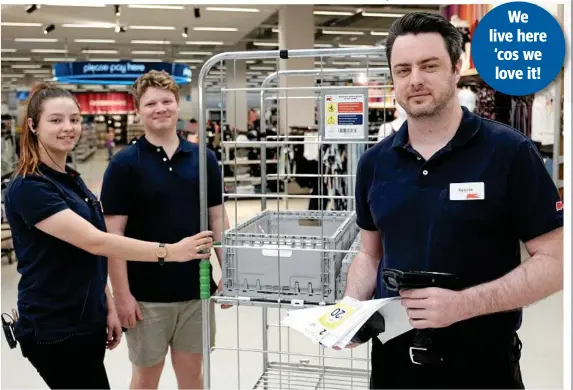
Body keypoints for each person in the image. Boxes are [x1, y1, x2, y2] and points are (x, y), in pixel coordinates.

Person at [346, 12, 563, 389]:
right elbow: (370, 255)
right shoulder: (373, 164)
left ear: (456, 67)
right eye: (403, 70)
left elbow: (557, 262)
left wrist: (463, 305)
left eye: (429, 66)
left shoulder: (510, 154)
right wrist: (348, 311)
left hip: (481, 364)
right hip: (392, 363)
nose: (415, 80)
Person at [3, 83, 215, 389]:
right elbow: (96, 240)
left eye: (74, 119)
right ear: (33, 126)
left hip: (85, 317)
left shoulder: (70, 179)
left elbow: (87, 253)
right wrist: (170, 251)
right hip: (55, 324)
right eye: (56, 120)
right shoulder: (30, 187)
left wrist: (108, 303)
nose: (69, 128)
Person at [100, 70, 230, 390]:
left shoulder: (204, 159)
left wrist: (231, 270)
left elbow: (217, 220)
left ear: (177, 106)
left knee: (193, 375)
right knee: (146, 378)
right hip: (145, 296)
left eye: (167, 101)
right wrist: (122, 295)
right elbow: (112, 239)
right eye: (151, 103)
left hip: (196, 290)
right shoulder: (124, 165)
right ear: (138, 110)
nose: (160, 108)